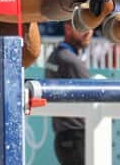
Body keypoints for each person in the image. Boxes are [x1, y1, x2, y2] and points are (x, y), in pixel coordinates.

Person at [45, 21, 92, 165]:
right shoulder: (71, 61)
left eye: (91, 27)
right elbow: (93, 97)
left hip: (63, 138)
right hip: (78, 138)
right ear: (68, 28)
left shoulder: (55, 55)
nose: (88, 32)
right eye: (83, 27)